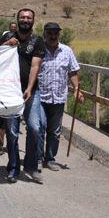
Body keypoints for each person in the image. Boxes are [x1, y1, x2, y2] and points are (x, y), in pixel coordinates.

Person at [2, 7, 45, 183]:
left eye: (28, 18)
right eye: (22, 17)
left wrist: (28, 87)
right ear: (17, 19)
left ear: (33, 21)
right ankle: (13, 167)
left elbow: (35, 66)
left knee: (35, 128)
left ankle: (31, 165)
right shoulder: (7, 37)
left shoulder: (37, 41)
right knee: (12, 133)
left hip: (31, 92)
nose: (25, 20)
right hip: (9, 92)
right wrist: (5, 45)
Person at [38, 22, 83, 170]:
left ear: (58, 34)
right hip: (41, 97)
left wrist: (76, 89)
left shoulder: (67, 51)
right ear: (44, 33)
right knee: (40, 128)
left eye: (55, 33)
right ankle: (38, 158)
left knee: (55, 131)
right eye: (49, 32)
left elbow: (73, 72)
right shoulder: (39, 49)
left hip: (58, 98)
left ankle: (50, 159)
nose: (52, 35)